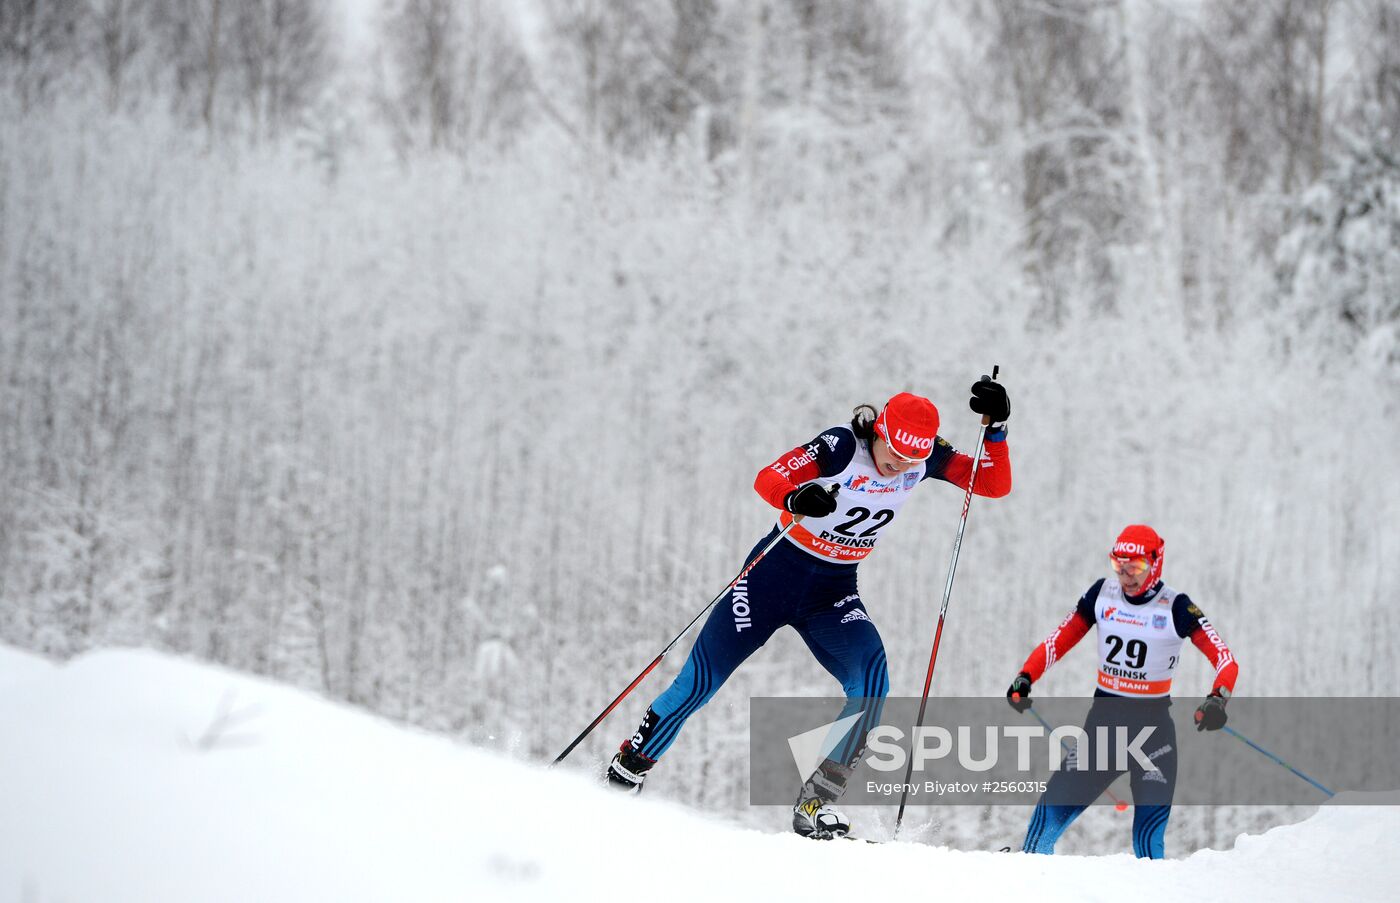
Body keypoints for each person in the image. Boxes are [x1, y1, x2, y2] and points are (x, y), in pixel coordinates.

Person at [606, 379, 1014, 839]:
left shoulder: (924, 458)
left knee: (873, 682)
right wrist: (794, 498)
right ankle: (627, 771)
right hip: (771, 577)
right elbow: (770, 477)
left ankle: (816, 802)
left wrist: (996, 429)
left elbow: (993, 483)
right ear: (878, 430)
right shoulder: (841, 446)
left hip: (833, 592)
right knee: (700, 681)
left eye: (912, 458)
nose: (900, 464)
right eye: (894, 451)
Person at [1005, 525, 1239, 859]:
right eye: (1119, 566)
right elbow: (1060, 640)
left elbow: (1225, 659)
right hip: (1103, 732)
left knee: (1148, 847)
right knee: (1040, 830)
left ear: (1155, 563)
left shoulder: (1175, 606)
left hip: (1152, 737)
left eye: (1136, 567)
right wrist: (1025, 676)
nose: (1127, 576)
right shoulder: (1103, 594)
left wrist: (1218, 698)